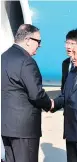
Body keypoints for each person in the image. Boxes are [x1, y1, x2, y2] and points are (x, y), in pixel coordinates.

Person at [1, 24, 52, 162]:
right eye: (38, 41)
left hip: (6, 126)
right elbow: (36, 94)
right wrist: (49, 104)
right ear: (28, 40)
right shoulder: (26, 61)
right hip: (24, 129)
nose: (40, 46)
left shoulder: (4, 57)